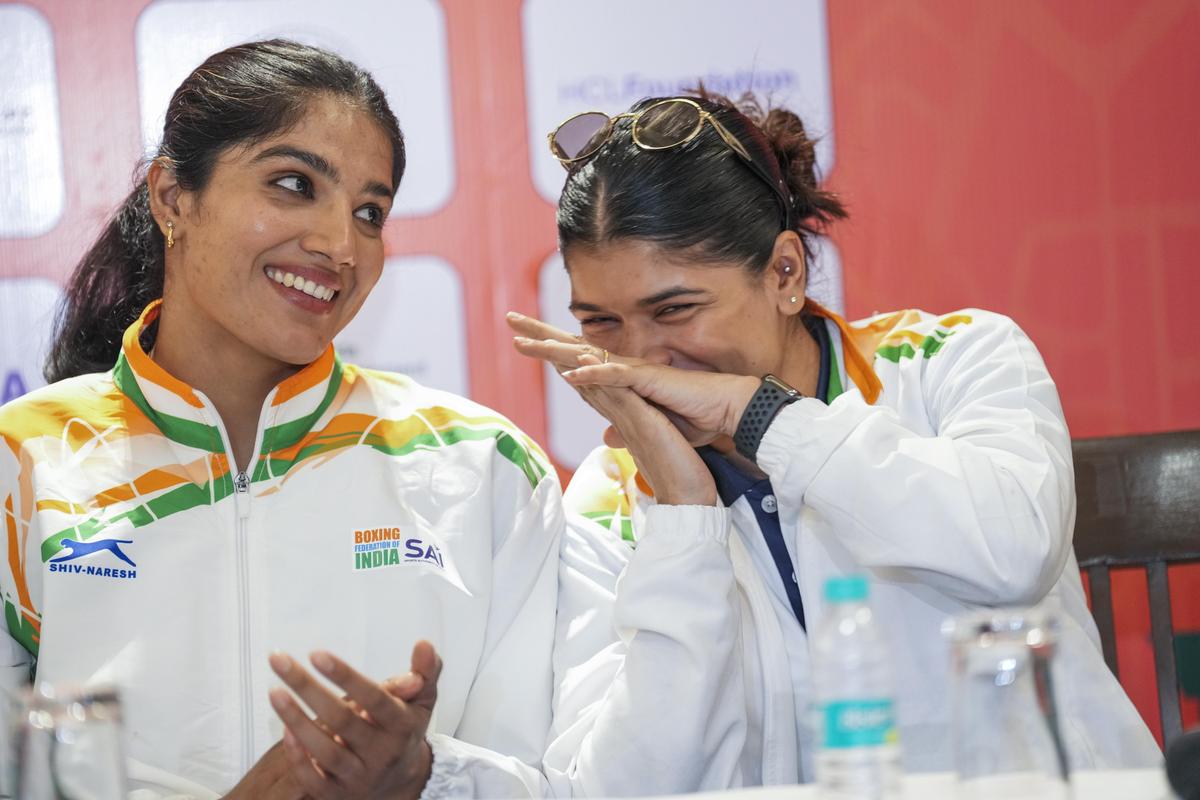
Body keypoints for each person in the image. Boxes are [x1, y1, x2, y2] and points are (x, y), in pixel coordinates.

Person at [1, 40, 763, 800]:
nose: (340, 245)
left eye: (370, 212)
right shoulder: (22, 463)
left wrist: (422, 777)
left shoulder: (480, 465)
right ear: (173, 198)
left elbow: (555, 785)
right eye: (293, 184)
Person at [510, 90, 1163, 782]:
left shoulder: (951, 360)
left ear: (784, 273)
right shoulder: (615, 492)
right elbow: (622, 787)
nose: (636, 358)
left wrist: (760, 418)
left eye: (674, 309)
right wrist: (682, 517)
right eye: (600, 323)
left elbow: (1015, 551)